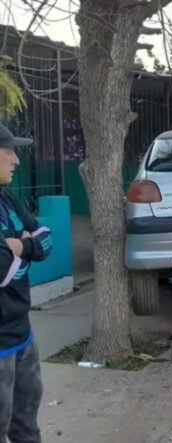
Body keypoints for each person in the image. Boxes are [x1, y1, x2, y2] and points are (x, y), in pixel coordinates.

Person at [0, 124, 52, 443]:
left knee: (26, 428)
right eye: (9, 151)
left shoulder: (7, 198)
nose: (16, 160)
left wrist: (20, 246)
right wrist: (23, 246)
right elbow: (1, 270)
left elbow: (46, 239)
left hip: (22, 334)